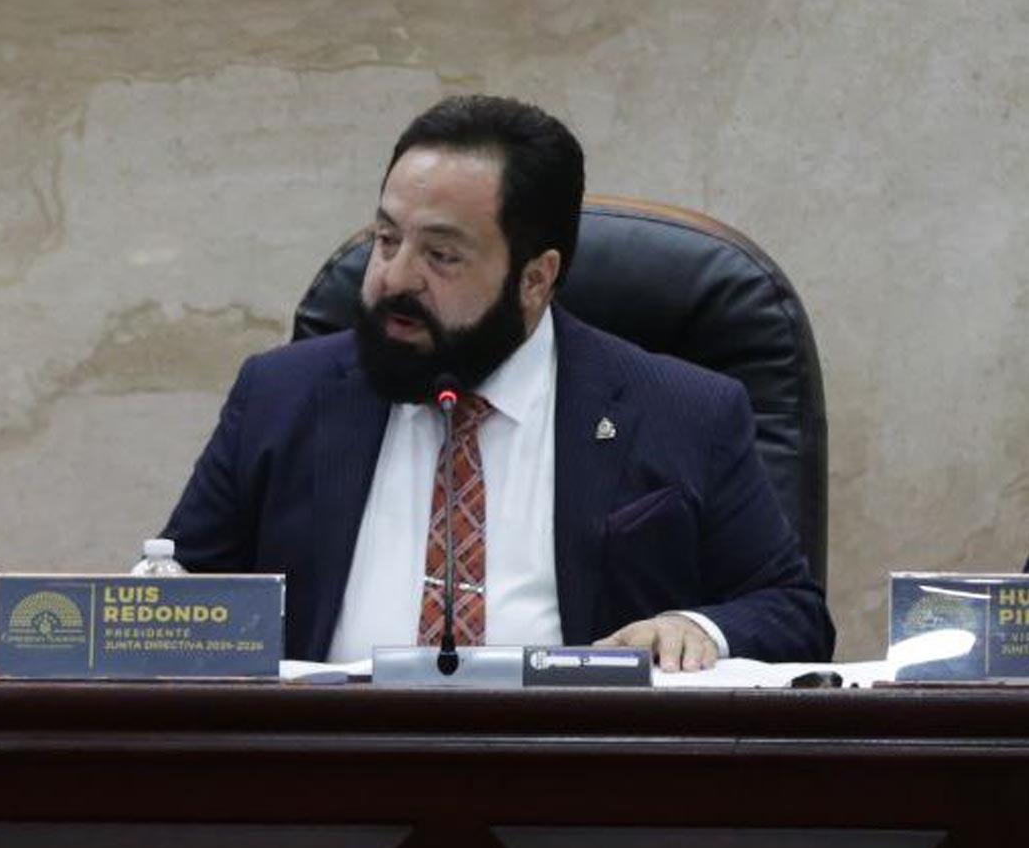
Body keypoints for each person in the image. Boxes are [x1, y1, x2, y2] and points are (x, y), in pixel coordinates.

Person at [159, 95, 834, 670]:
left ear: (535, 278)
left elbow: (792, 611)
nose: (394, 277)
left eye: (441, 255)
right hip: (328, 767)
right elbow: (174, 599)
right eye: (387, 239)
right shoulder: (280, 395)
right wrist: (140, 608)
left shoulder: (682, 409)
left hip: (577, 770)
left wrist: (695, 627)